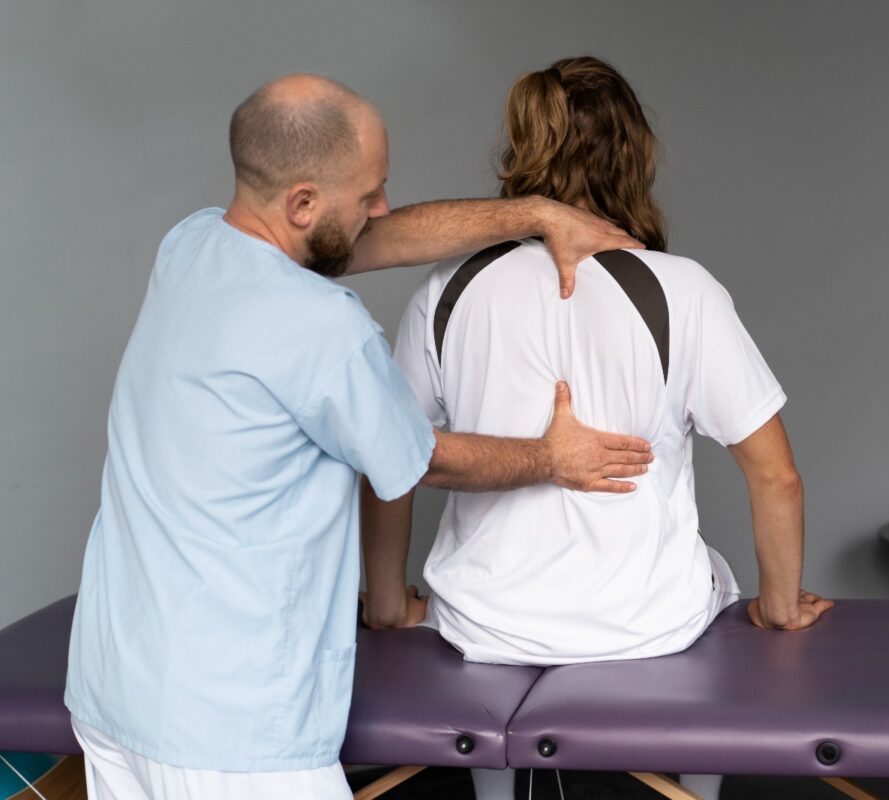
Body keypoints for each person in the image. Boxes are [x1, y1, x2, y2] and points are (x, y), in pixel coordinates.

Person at [63, 73, 652, 800]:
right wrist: (553, 456)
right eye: (369, 193)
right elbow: (423, 459)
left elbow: (378, 241)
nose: (382, 208)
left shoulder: (191, 244)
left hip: (115, 689)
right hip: (230, 732)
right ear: (302, 204)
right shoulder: (325, 327)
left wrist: (536, 214)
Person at [362, 56, 832, 799]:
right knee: (716, 581)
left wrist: (389, 604)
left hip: (484, 624)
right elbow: (776, 475)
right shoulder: (684, 290)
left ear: (522, 150)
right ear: (635, 156)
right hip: (645, 625)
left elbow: (386, 461)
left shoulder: (446, 291)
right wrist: (779, 608)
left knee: (488, 626)